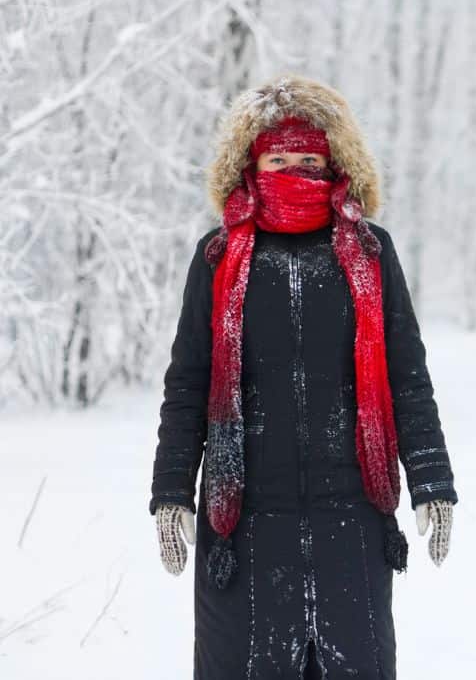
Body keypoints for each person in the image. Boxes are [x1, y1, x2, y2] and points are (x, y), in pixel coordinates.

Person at [148, 73, 459, 679]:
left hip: (351, 513)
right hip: (242, 521)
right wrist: (169, 491)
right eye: (279, 157)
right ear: (251, 161)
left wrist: (431, 480)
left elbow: (406, 376)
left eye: (309, 157)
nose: (295, 169)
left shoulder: (369, 252)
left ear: (335, 161)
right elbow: (187, 382)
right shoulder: (218, 255)